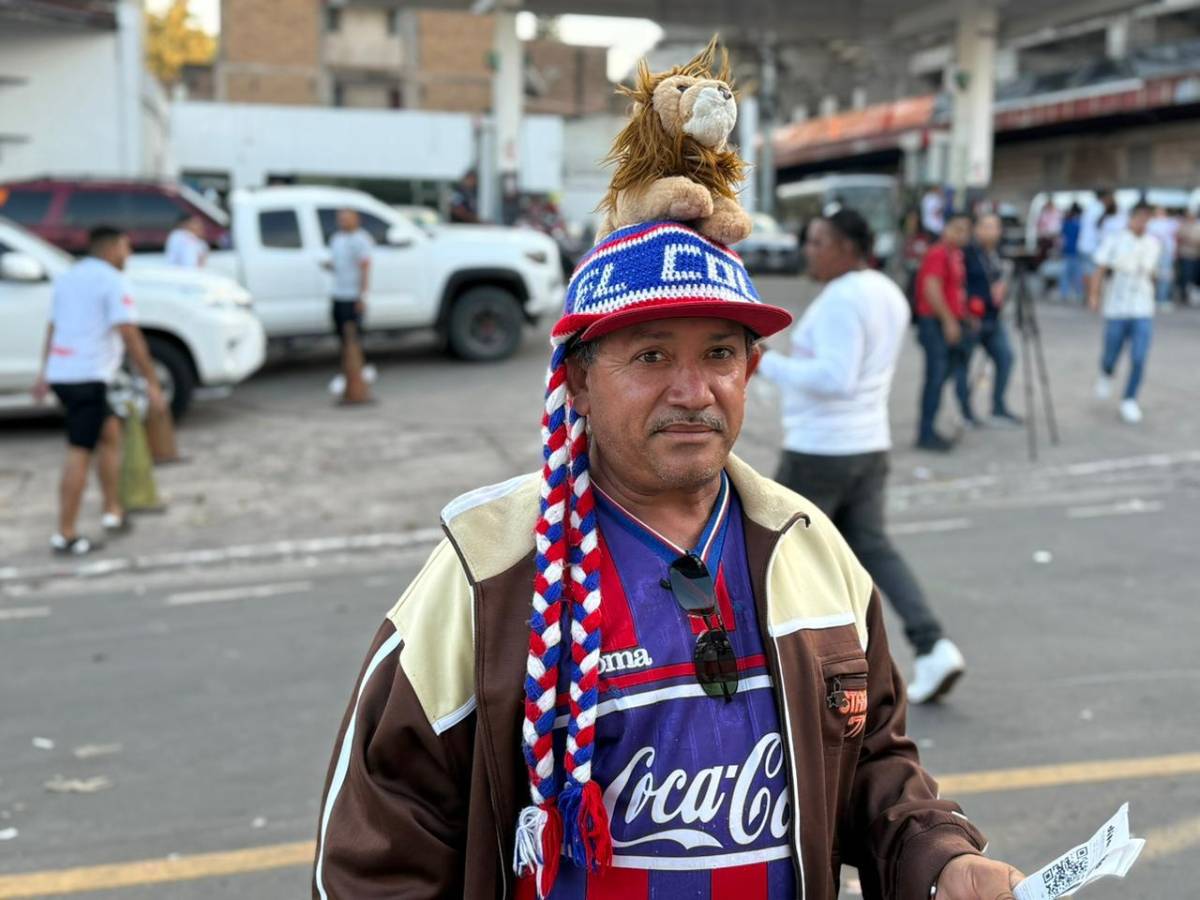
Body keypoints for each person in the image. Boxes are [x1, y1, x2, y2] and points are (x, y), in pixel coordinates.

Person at [312, 220, 1021, 899]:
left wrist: (940, 859)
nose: (692, 392)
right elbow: (380, 846)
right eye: (652, 356)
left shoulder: (809, 548)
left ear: (751, 369)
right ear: (580, 384)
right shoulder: (491, 573)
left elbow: (871, 761)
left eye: (718, 354)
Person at [758, 208, 967, 704]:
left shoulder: (841, 300)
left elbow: (836, 378)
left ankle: (790, 675)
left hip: (821, 450)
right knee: (868, 550)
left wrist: (768, 363)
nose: (809, 251)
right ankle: (931, 644)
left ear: (848, 247)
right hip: (868, 444)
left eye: (818, 242)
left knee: (778, 560)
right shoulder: (886, 291)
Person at [31, 226, 167, 555]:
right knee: (80, 450)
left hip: (66, 372)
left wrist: (44, 371)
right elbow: (129, 332)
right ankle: (65, 535)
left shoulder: (68, 277)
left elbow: (54, 325)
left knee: (110, 434)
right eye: (126, 247)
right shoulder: (112, 280)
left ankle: (112, 511)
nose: (129, 254)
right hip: (86, 376)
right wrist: (151, 380)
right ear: (111, 248)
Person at [1089, 202, 1159, 425]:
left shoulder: (1153, 244)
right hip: (1117, 307)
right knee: (1111, 351)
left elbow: (1152, 273)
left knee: (1139, 357)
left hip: (1142, 307)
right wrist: (1094, 294)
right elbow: (1099, 268)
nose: (1142, 222)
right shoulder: (1115, 240)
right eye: (1139, 217)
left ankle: (1129, 399)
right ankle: (1106, 372)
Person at [914, 212, 971, 451]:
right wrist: (948, 320)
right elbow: (931, 288)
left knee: (943, 375)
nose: (962, 234)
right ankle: (925, 434)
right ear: (946, 229)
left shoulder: (956, 254)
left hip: (949, 320)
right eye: (957, 228)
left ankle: (932, 426)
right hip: (934, 322)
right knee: (935, 378)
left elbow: (955, 289)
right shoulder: (938, 253)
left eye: (965, 230)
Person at [961, 213, 1021, 428]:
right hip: (973, 319)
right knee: (963, 366)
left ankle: (998, 406)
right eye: (986, 226)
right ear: (976, 229)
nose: (991, 231)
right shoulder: (967, 253)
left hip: (994, 318)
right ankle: (965, 412)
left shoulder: (998, 254)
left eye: (995, 227)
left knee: (1005, 358)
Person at [325, 208, 373, 402]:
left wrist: (363, 296)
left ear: (356, 220)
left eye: (347, 219)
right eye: (341, 219)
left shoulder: (361, 240)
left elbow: (366, 267)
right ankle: (347, 374)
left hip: (353, 295)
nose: (343, 222)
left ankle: (359, 376)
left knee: (354, 337)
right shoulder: (336, 239)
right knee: (341, 337)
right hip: (338, 294)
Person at [1146, 206, 1179, 309]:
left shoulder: (1170, 222)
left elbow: (1175, 236)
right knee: (1153, 276)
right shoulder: (1150, 222)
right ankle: (1153, 299)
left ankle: (1162, 299)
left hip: (1166, 253)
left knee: (1165, 277)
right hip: (1153, 253)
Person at [1059, 203, 1084, 302]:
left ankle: (1066, 294)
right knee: (1076, 275)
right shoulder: (1078, 224)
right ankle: (1078, 294)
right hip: (1075, 252)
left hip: (1069, 252)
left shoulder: (1067, 223)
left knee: (1067, 275)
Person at [1176, 207, 1200, 305]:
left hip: (1196, 255)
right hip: (1186, 255)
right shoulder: (1183, 226)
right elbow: (1180, 238)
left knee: (1195, 276)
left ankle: (1192, 294)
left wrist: (1190, 240)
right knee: (1185, 276)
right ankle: (1184, 295)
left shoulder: (1198, 226)